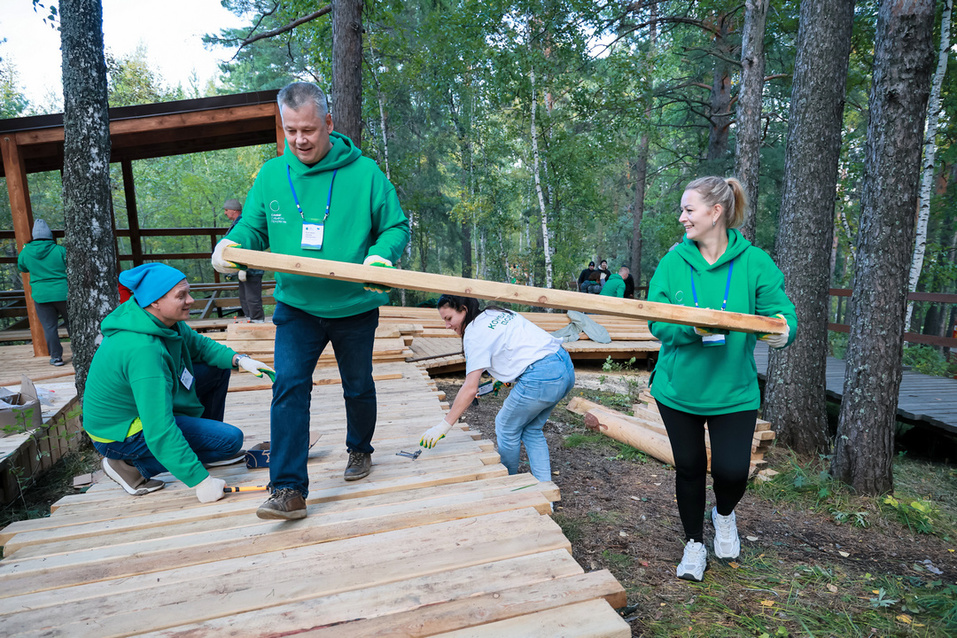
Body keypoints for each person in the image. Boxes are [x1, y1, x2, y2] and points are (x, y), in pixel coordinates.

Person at [212, 81, 410, 521]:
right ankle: (287, 489)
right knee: (288, 387)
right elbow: (253, 229)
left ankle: (359, 449)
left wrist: (381, 255)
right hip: (296, 304)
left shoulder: (365, 174)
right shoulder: (270, 175)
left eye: (308, 130)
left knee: (357, 387)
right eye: (291, 130)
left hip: (353, 305)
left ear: (328, 123)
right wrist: (232, 244)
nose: (299, 140)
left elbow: (396, 226)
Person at [646, 176, 796, 582]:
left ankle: (724, 514)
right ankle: (694, 543)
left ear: (716, 213)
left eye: (689, 210)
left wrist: (782, 329)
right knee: (690, 468)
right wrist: (690, 329)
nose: (682, 218)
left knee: (731, 472)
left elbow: (781, 311)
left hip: (734, 390)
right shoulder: (673, 262)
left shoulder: (755, 262)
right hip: (679, 390)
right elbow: (656, 321)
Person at [82, 263, 274, 502]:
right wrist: (201, 481)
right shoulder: (143, 350)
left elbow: (200, 346)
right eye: (181, 296)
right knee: (230, 440)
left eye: (188, 292)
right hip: (121, 435)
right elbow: (159, 429)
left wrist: (239, 360)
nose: (191, 300)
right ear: (155, 302)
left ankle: (203, 442)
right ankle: (131, 466)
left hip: (144, 410)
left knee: (217, 368)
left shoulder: (164, 322)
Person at [420, 295, 575, 486]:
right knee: (532, 430)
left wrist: (443, 426)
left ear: (464, 310)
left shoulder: (474, 335)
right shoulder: (494, 313)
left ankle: (505, 483)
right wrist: (501, 379)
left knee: (506, 426)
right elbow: (513, 346)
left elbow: (470, 389)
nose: (447, 325)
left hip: (542, 376)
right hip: (563, 365)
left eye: (449, 318)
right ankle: (545, 490)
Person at [16, 219, 69, 366]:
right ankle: (79, 353)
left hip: (41, 295)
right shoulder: (60, 250)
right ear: (50, 236)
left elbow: (23, 268)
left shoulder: (26, 252)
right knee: (72, 324)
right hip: (62, 293)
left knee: (49, 327)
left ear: (34, 236)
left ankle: (56, 357)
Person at [223, 198, 265, 322]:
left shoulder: (244, 225)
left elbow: (247, 244)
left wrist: (244, 265)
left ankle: (257, 322)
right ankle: (249, 320)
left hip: (251, 266)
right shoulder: (239, 224)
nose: (225, 213)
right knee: (245, 297)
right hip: (244, 266)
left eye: (226, 210)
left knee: (252, 297)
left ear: (234, 211)